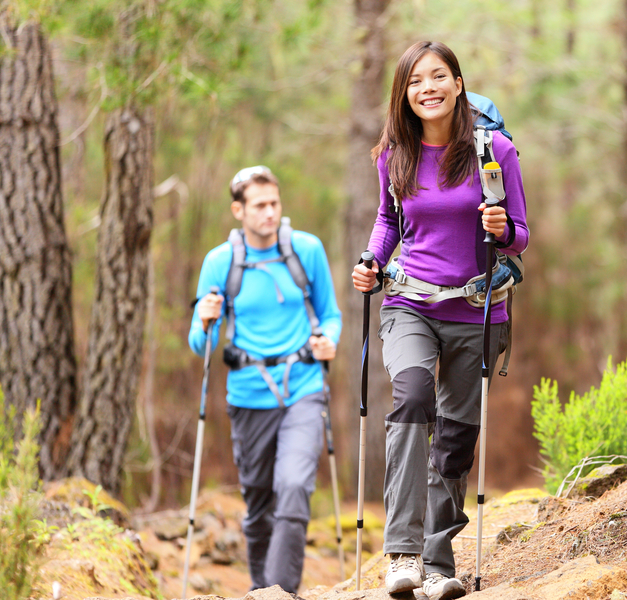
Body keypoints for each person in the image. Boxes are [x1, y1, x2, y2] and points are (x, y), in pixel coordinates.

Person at [352, 41, 529, 600]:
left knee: (454, 435)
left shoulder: (492, 150)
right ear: (404, 94)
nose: (427, 88)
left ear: (457, 83)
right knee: (410, 397)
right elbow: (389, 221)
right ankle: (401, 553)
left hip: (477, 309)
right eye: (415, 81)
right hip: (409, 303)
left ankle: (436, 561)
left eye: (438, 77)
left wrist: (500, 227)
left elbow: (520, 234)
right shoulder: (393, 153)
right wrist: (372, 261)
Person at [189, 165, 342, 594]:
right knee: (258, 502)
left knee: (293, 486)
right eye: (259, 206)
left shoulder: (306, 249)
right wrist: (204, 321)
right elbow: (201, 348)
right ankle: (262, 588)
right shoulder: (220, 262)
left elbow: (330, 314)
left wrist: (328, 340)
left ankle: (281, 591)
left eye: (275, 203)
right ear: (238, 210)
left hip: (305, 387)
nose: (270, 213)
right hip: (248, 395)